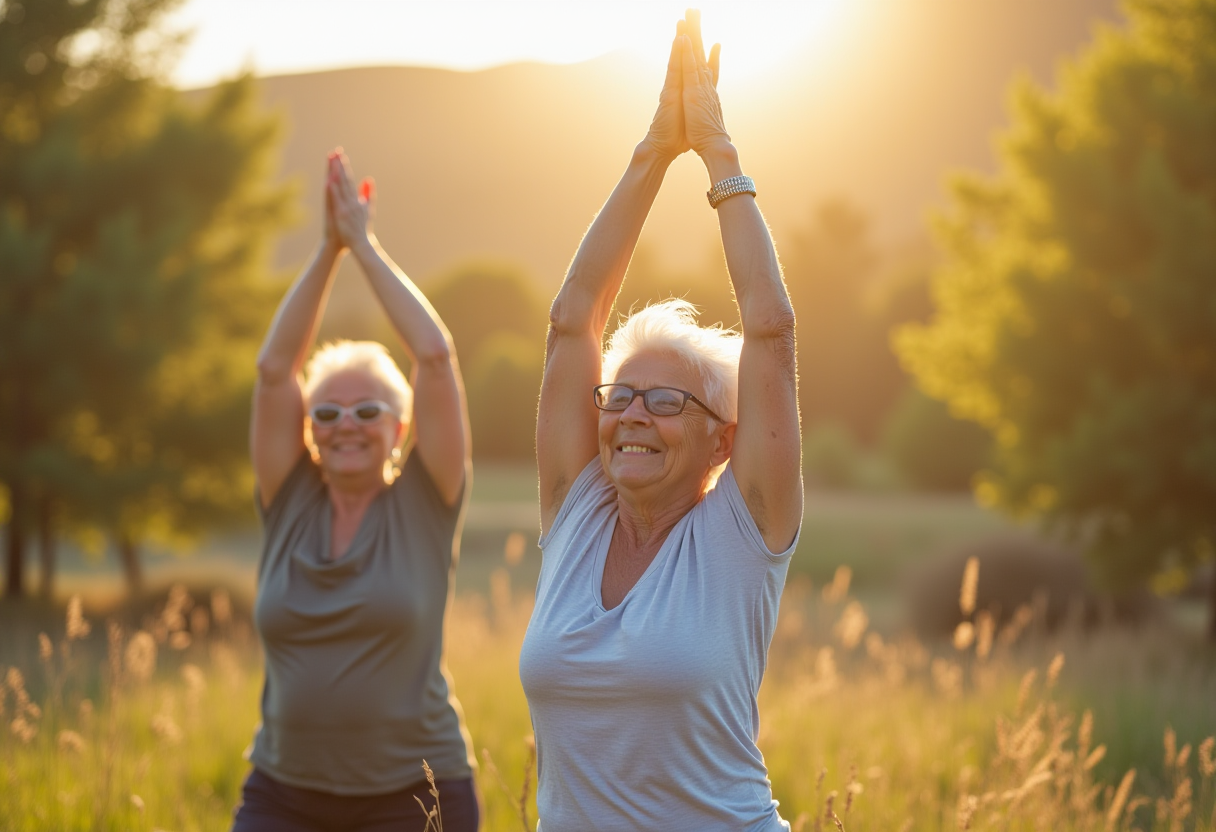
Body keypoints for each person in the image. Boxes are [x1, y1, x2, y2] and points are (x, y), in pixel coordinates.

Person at [518, 9, 803, 831]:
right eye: (622, 395)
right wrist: (651, 153)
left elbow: (771, 329)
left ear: (725, 438)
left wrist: (719, 156)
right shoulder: (577, 511)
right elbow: (573, 320)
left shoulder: (743, 529)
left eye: (668, 400)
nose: (634, 414)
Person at [232, 150, 479, 832]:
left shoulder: (426, 502)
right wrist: (325, 251)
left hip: (416, 792)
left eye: (368, 411)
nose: (347, 424)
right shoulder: (289, 501)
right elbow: (273, 367)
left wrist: (363, 248)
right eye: (328, 412)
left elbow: (434, 355)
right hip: (282, 793)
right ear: (306, 428)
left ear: (401, 428)